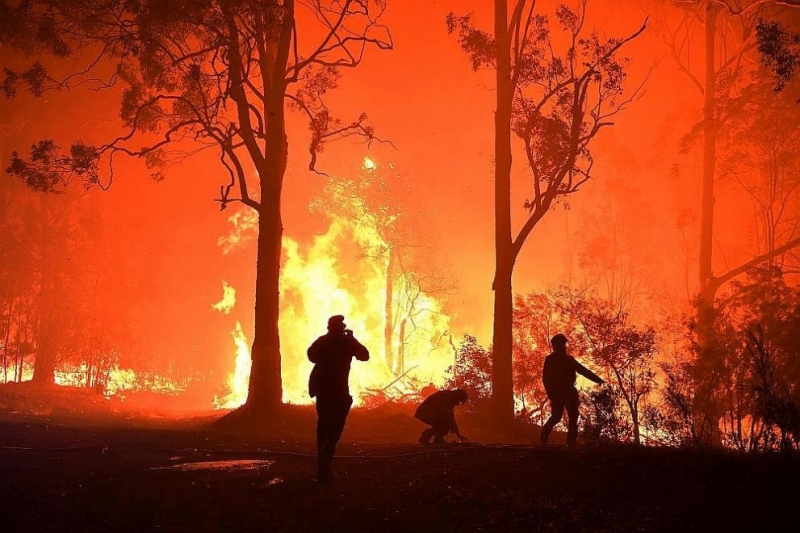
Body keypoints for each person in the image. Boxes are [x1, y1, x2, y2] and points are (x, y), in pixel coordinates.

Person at [308, 314, 369, 482]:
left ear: (329, 328)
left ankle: (323, 463)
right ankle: (328, 451)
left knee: (323, 423)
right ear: (341, 328)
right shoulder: (346, 342)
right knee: (336, 424)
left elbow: (311, 355)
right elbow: (364, 355)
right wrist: (352, 339)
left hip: (322, 389)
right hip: (338, 390)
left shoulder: (322, 341)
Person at [539, 333, 604, 447]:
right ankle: (570, 444)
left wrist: (550, 393)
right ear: (557, 346)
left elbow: (546, 378)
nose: (564, 346)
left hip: (559, 394)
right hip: (567, 393)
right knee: (572, 417)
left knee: (557, 417)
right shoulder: (566, 360)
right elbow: (582, 370)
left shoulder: (550, 360)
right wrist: (598, 380)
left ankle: (544, 438)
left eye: (564, 344)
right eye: (562, 344)